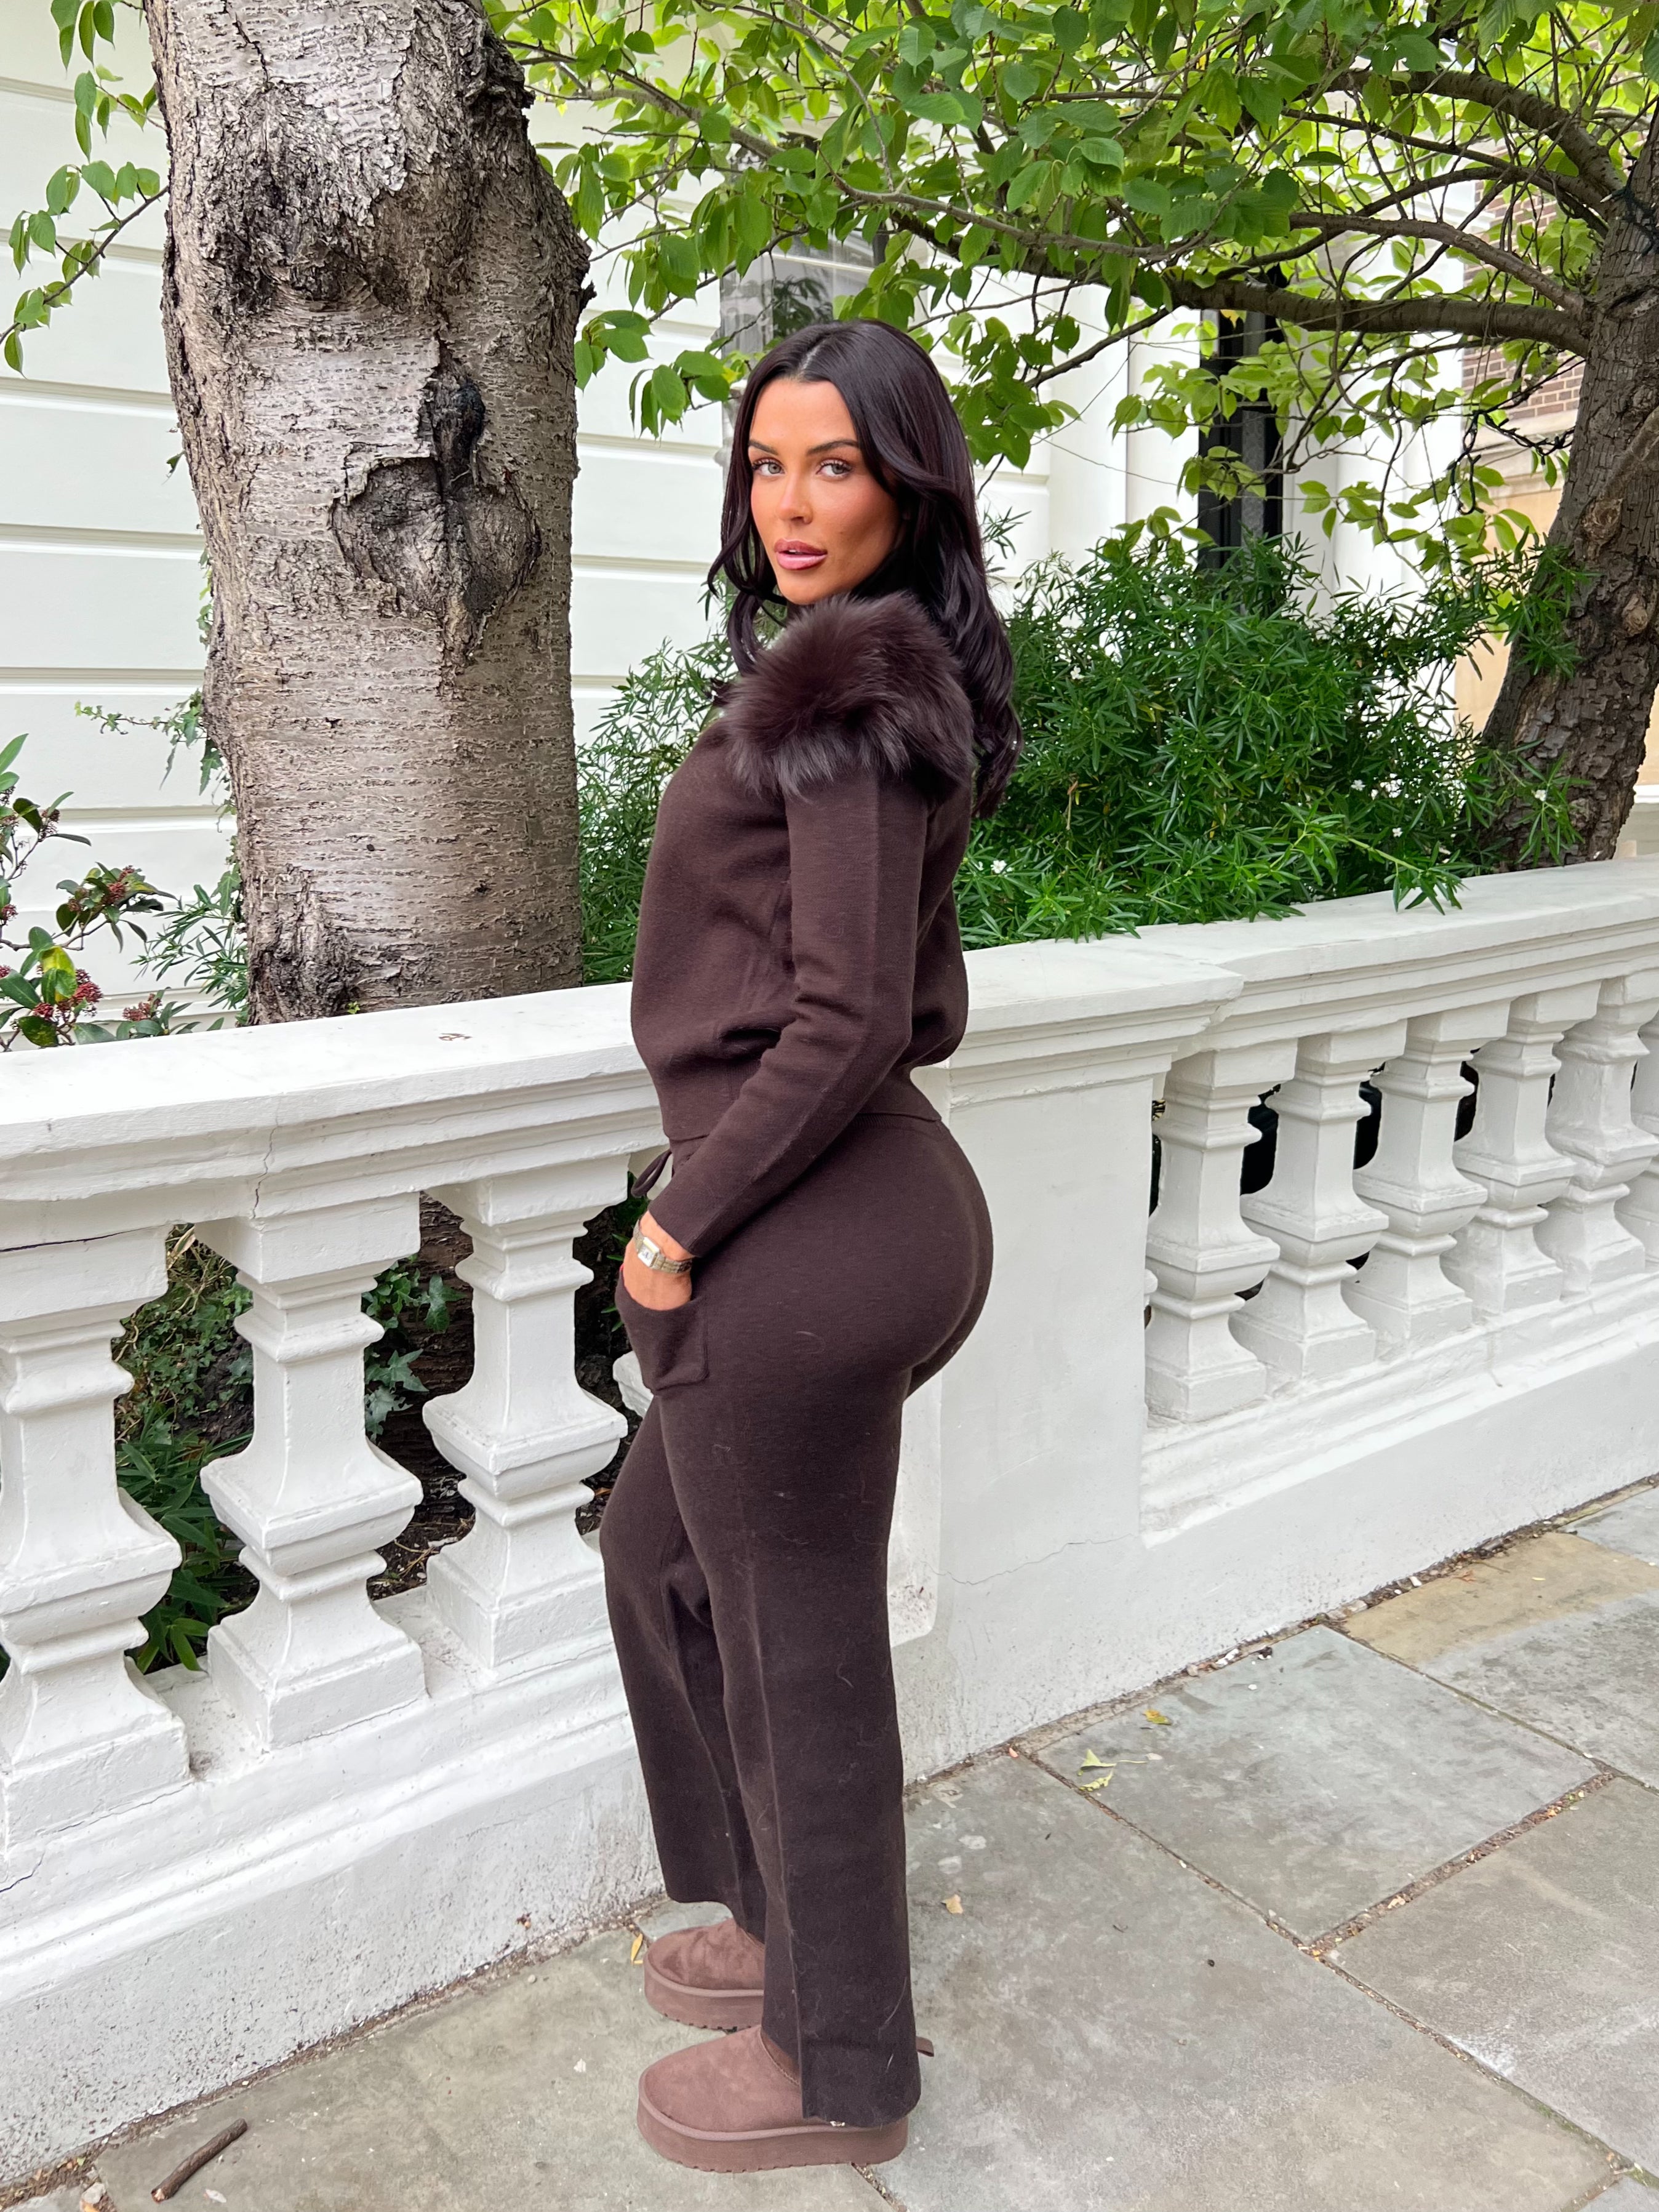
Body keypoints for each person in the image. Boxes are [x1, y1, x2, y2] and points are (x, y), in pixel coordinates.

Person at [598, 315, 1020, 2174]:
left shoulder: (848, 695)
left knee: (797, 1652)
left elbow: (846, 1016)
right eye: (767, 463)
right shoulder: (854, 678)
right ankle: (780, 1927)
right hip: (854, 1205)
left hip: (809, 1229)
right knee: (660, 1557)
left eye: (834, 466)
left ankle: (839, 2061)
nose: (790, 502)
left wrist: (676, 1223)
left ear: (905, 490)